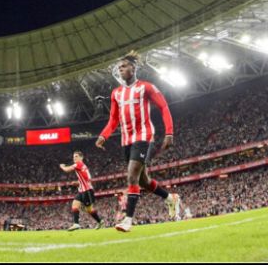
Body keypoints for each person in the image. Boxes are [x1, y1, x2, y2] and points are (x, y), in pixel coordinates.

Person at [95, 51, 179, 232]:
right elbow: (113, 120)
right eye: (119, 68)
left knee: (131, 176)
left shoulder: (146, 87)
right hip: (127, 140)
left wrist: (169, 133)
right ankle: (170, 199)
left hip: (144, 136)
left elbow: (164, 106)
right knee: (144, 182)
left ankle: (128, 220)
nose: (121, 69)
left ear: (133, 68)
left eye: (123, 66)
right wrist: (103, 136)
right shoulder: (116, 93)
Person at [59, 151, 103, 230]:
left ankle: (100, 221)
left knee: (88, 209)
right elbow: (87, 178)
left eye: (76, 156)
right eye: (73, 156)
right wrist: (78, 182)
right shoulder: (83, 166)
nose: (74, 158)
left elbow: (67, 170)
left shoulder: (78, 164)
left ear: (81, 157)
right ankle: (76, 224)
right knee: (75, 204)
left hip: (87, 191)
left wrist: (62, 166)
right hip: (82, 190)